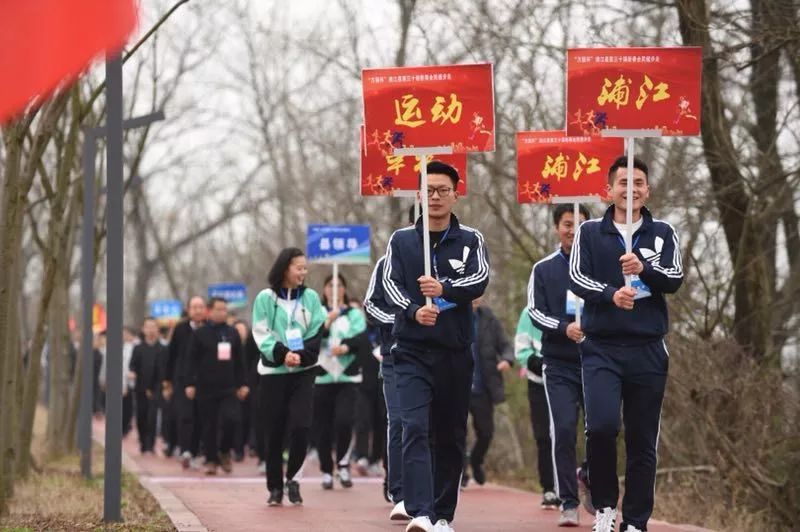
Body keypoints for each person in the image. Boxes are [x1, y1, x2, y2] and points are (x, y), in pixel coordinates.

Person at [569, 156, 683, 532]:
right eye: (623, 182)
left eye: (638, 182)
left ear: (647, 190)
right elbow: (577, 278)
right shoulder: (589, 233)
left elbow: (674, 278)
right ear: (609, 189)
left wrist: (643, 268)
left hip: (648, 348)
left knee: (642, 438)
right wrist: (609, 294)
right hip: (601, 346)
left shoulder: (663, 232)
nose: (630, 189)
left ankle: (635, 520)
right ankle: (604, 505)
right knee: (600, 427)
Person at [383, 161, 490, 532]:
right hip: (411, 351)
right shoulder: (401, 240)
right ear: (418, 195)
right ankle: (421, 512)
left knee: (449, 434)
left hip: (455, 353)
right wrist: (413, 311)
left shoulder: (471, 240)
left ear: (456, 194)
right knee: (413, 427)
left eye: (443, 190)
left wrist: (444, 289)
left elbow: (480, 279)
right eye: (428, 190)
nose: (436, 197)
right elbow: (390, 286)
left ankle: (443, 513)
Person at [527, 203, 593, 526]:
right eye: (568, 223)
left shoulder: (599, 265)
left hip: (596, 361)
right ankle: (568, 500)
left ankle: (589, 475)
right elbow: (534, 313)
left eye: (580, 223)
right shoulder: (544, 269)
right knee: (563, 429)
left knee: (604, 428)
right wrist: (563, 327)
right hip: (558, 364)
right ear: (557, 227)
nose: (573, 229)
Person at [252, 247, 326, 506]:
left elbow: (317, 331)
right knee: (273, 431)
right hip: (274, 372)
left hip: (303, 372)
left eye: (305, 268)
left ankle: (293, 478)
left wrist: (302, 356)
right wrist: (282, 354)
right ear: (285, 268)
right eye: (299, 268)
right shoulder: (265, 298)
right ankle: (275, 487)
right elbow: (260, 333)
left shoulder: (312, 299)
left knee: (301, 426)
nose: (303, 272)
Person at [363, 204, 417, 521]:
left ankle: (430, 489)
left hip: (437, 355)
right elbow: (372, 304)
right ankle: (399, 491)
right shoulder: (388, 261)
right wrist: (401, 323)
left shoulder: (447, 260)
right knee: (398, 421)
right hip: (395, 356)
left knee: (430, 425)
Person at [314, 273, 370, 490]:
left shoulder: (354, 314)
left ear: (345, 289)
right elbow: (313, 337)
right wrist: (328, 321)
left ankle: (343, 463)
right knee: (323, 426)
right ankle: (327, 470)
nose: (334, 289)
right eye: (330, 285)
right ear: (324, 289)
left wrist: (345, 346)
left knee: (344, 421)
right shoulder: (317, 312)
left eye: (339, 285)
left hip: (347, 376)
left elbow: (361, 338)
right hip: (322, 376)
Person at [184, 297, 248, 475]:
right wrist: (190, 383)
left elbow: (239, 361)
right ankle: (211, 459)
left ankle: (225, 452)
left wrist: (242, 383)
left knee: (231, 420)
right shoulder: (200, 333)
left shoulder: (232, 333)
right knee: (209, 425)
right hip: (206, 387)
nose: (222, 313)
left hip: (229, 387)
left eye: (224, 310)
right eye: (218, 309)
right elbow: (191, 361)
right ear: (209, 311)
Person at [462, 297, 514, 487]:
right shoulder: (452, 315)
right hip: (458, 385)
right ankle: (460, 471)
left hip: (483, 387)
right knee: (457, 431)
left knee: (486, 432)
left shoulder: (489, 319)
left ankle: (476, 461)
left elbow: (505, 345)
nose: (474, 299)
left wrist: (507, 359)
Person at [514, 309, 559, 510]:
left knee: (563, 433)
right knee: (543, 437)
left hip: (564, 380)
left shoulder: (568, 302)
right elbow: (521, 349)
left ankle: (566, 487)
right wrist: (538, 363)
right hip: (538, 382)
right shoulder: (528, 313)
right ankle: (549, 488)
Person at [163, 296, 206, 469]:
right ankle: (186, 450)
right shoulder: (180, 329)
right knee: (185, 416)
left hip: (204, 381)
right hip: (181, 379)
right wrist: (167, 381)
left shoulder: (209, 329)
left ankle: (195, 451)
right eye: (194, 307)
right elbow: (171, 355)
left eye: (200, 307)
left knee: (200, 417)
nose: (197, 310)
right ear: (188, 310)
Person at [129, 317, 166, 454]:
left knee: (153, 416)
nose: (150, 330)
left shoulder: (163, 349)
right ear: (143, 329)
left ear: (157, 329)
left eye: (153, 327)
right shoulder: (138, 348)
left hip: (157, 387)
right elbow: (132, 365)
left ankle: (150, 444)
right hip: (140, 387)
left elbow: (164, 369)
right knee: (141, 416)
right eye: (148, 327)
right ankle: (143, 443)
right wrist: (132, 372)